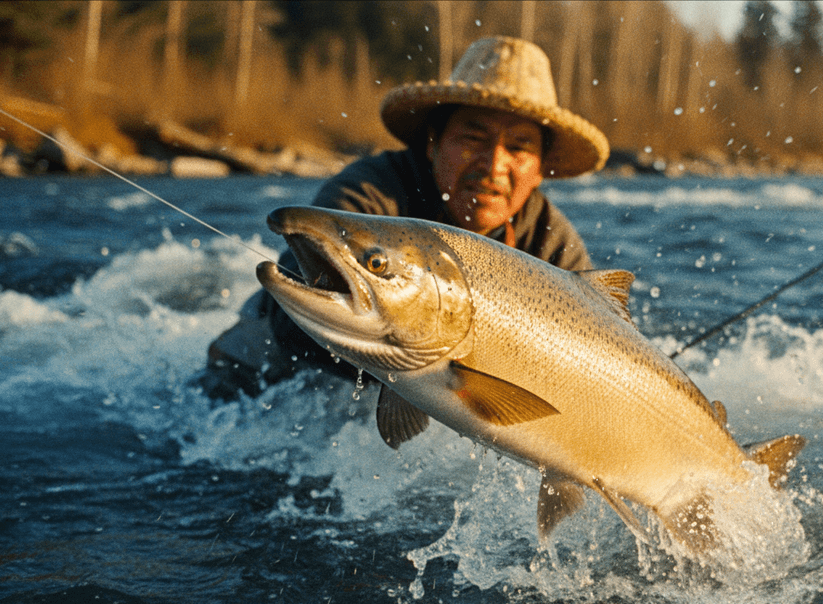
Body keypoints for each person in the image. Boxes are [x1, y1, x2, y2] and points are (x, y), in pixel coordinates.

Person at [198, 36, 610, 401]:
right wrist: (422, 381)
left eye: (519, 147)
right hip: (280, 360)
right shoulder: (371, 192)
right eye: (473, 138)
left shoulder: (554, 246)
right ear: (433, 143)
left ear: (540, 169)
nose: (493, 164)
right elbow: (292, 311)